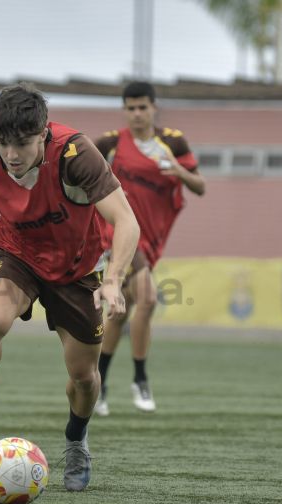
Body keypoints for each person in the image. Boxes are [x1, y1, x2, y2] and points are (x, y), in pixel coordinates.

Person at [0, 83, 139, 491]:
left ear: (43, 132)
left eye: (23, 144)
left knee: (84, 377)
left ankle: (77, 441)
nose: (12, 155)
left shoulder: (76, 155)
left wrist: (114, 280)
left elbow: (127, 221)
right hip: (17, 256)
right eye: (4, 142)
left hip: (77, 270)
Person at [93, 81, 205, 416]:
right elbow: (83, 182)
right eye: (131, 108)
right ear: (124, 110)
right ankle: (141, 379)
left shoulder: (171, 142)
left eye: (143, 107)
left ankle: (98, 385)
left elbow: (199, 186)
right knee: (149, 296)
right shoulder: (110, 144)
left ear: (154, 108)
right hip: (118, 234)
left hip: (152, 238)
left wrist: (179, 170)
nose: (137, 113)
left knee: (120, 312)